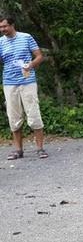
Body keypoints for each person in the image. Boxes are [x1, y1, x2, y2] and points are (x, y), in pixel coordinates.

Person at [0, 16, 47, 160]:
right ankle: (18, 150)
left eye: (5, 26)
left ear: (12, 25)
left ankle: (40, 148)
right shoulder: (1, 42)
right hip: (9, 82)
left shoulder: (26, 37)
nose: (3, 30)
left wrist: (31, 65)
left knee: (33, 114)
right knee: (14, 117)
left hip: (27, 81)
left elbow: (39, 56)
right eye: (0, 27)